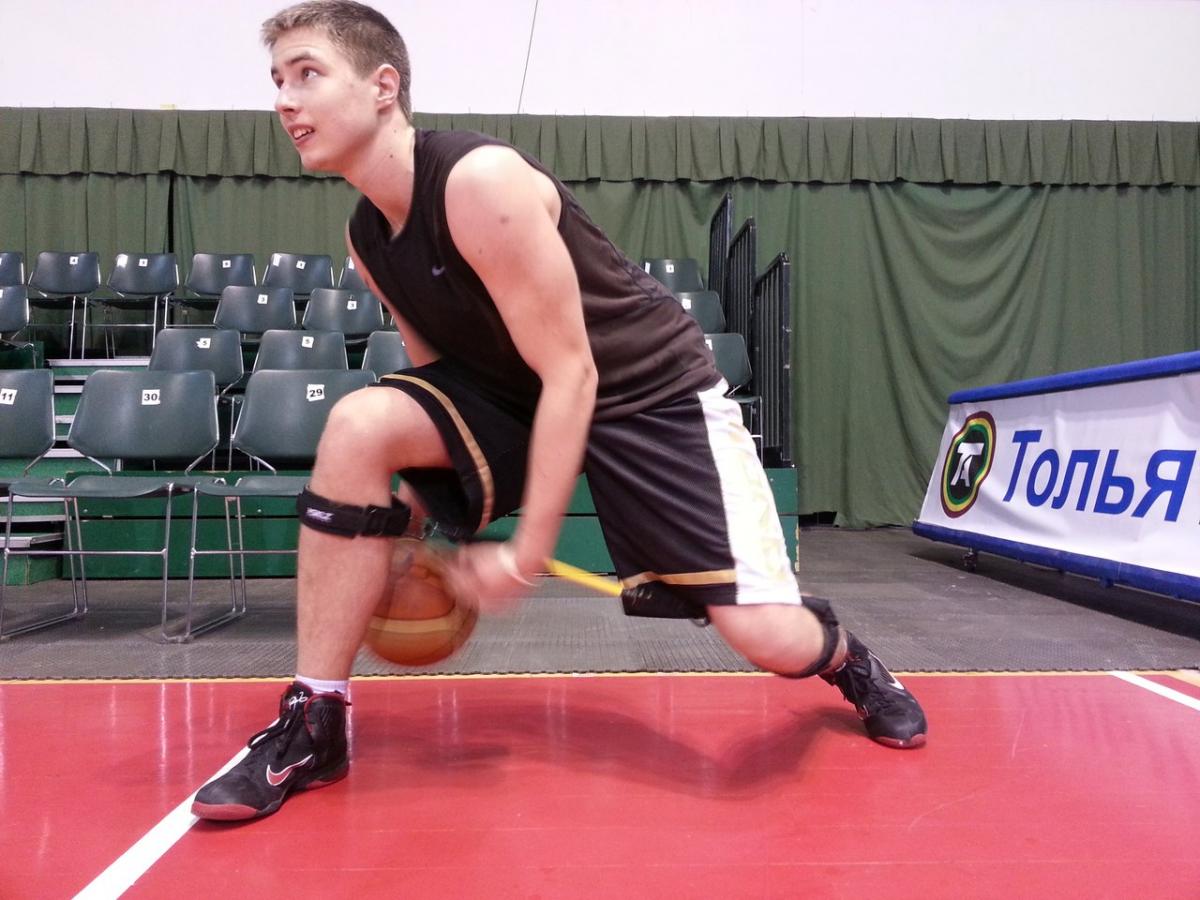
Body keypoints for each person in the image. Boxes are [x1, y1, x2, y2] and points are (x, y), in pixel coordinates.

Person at [192, 0, 927, 822]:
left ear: (383, 87)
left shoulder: (480, 182)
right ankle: (316, 718)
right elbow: (442, 378)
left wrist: (525, 553)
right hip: (516, 396)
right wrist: (419, 511)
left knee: (766, 638)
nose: (285, 101)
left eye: (307, 75)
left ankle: (847, 658)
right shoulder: (368, 237)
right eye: (277, 81)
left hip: (647, 395)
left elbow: (574, 372)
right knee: (359, 424)